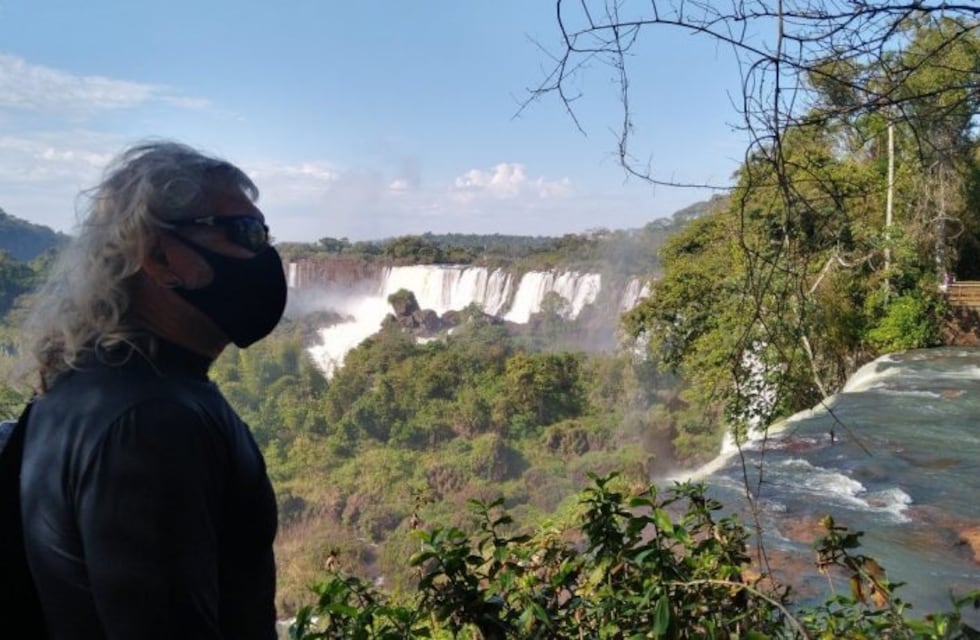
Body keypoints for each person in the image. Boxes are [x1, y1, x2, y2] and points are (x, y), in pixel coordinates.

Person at [18, 141, 286, 639]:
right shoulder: (152, 423)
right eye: (246, 233)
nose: (265, 255)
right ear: (160, 257)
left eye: (264, 233)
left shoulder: (87, 382)